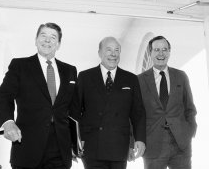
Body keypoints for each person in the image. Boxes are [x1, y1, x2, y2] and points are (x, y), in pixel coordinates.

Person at [0, 23, 77, 169]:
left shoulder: (70, 70)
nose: (47, 40)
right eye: (43, 35)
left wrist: (77, 141)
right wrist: (8, 122)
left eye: (53, 37)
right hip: (27, 145)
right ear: (36, 40)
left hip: (60, 148)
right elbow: (4, 95)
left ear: (58, 44)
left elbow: (74, 108)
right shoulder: (19, 65)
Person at [70, 36, 146, 169]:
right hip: (92, 144)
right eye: (109, 50)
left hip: (119, 145)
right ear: (99, 53)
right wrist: (75, 141)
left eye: (117, 50)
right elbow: (75, 111)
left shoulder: (130, 79)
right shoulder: (85, 77)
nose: (113, 54)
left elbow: (138, 113)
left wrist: (140, 139)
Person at [138, 36, 197, 169]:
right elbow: (136, 114)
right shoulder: (139, 80)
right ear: (150, 53)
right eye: (157, 49)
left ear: (169, 52)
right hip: (153, 143)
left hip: (181, 143)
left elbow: (190, 108)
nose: (161, 53)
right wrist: (134, 141)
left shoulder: (181, 76)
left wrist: (190, 131)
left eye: (165, 49)